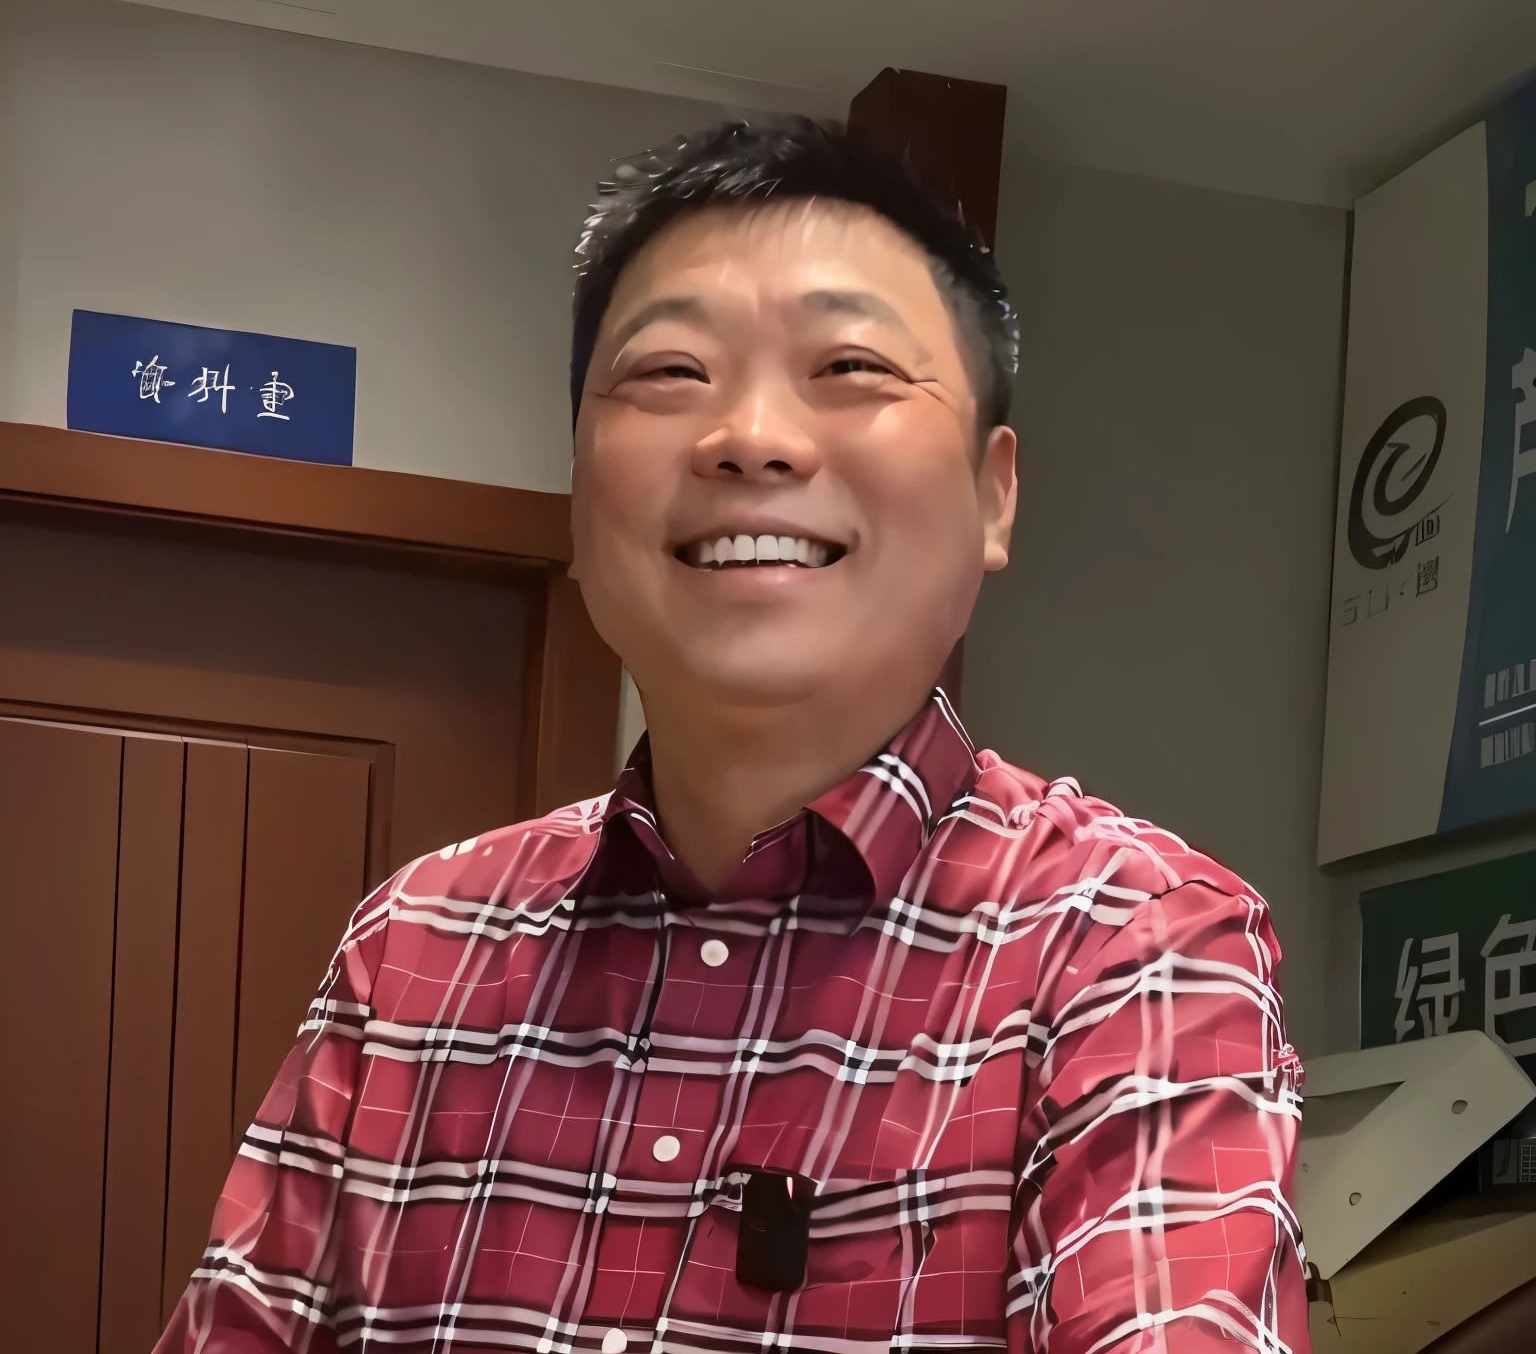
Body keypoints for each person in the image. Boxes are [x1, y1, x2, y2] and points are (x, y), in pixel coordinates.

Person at [156, 120, 1308, 1354]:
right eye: (669, 374)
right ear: (582, 493)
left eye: (853, 367)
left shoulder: (1132, 942)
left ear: (993, 494)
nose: (751, 436)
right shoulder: (416, 947)